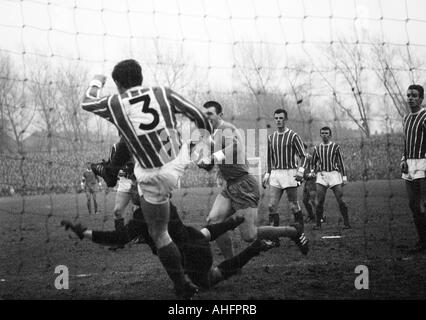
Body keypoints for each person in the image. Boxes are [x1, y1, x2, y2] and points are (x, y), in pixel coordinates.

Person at [81, 59, 212, 299]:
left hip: (152, 176)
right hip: (177, 162)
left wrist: (96, 81)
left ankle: (181, 284)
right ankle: (112, 171)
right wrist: (205, 144)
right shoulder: (163, 92)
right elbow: (201, 118)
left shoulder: (115, 102)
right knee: (142, 147)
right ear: (141, 77)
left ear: (119, 84)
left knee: (159, 233)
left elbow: (86, 102)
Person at [60, 201, 308, 294]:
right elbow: (204, 234)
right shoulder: (166, 202)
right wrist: (231, 222)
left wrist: (85, 233)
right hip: (196, 240)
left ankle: (253, 250)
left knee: (209, 281)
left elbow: (118, 238)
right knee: (201, 234)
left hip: (187, 256)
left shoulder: (140, 217)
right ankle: (236, 227)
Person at [197, 101, 308, 257]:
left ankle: (294, 231)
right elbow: (213, 163)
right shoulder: (213, 134)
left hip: (244, 186)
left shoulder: (226, 128)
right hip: (230, 187)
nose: (206, 117)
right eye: (204, 114)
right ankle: (232, 264)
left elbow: (236, 147)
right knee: (214, 221)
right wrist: (204, 162)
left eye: (210, 114)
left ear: (220, 115)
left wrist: (212, 156)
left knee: (249, 236)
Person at [262, 109, 307, 229]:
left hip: (289, 173)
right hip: (276, 175)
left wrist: (301, 171)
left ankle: (300, 231)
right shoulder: (271, 138)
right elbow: (269, 157)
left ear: (285, 119)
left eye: (281, 118)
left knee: (293, 205)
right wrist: (267, 173)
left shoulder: (293, 136)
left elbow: (304, 156)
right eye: (276, 118)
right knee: (271, 206)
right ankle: (274, 237)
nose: (278, 120)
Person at [401, 84, 426, 253]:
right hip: (409, 164)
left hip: (423, 163)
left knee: (423, 203)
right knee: (413, 204)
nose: (410, 98)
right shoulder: (406, 118)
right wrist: (403, 159)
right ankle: (422, 240)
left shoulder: (424, 116)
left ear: (421, 98)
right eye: (409, 95)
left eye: (414, 95)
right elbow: (406, 142)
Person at [311, 127, 350, 230]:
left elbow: (341, 163)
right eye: (322, 133)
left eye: (326, 133)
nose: (324, 135)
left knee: (340, 200)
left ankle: (346, 222)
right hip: (322, 175)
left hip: (334, 174)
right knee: (320, 201)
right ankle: (318, 224)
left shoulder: (335, 147)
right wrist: (312, 172)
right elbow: (313, 163)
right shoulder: (317, 148)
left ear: (330, 135)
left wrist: (344, 177)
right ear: (320, 135)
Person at [302, 143, 317, 223]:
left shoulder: (309, 158)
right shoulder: (301, 158)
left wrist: (311, 174)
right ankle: (311, 215)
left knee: (312, 200)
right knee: (305, 200)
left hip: (312, 181)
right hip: (306, 182)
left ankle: (320, 216)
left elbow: (315, 168)